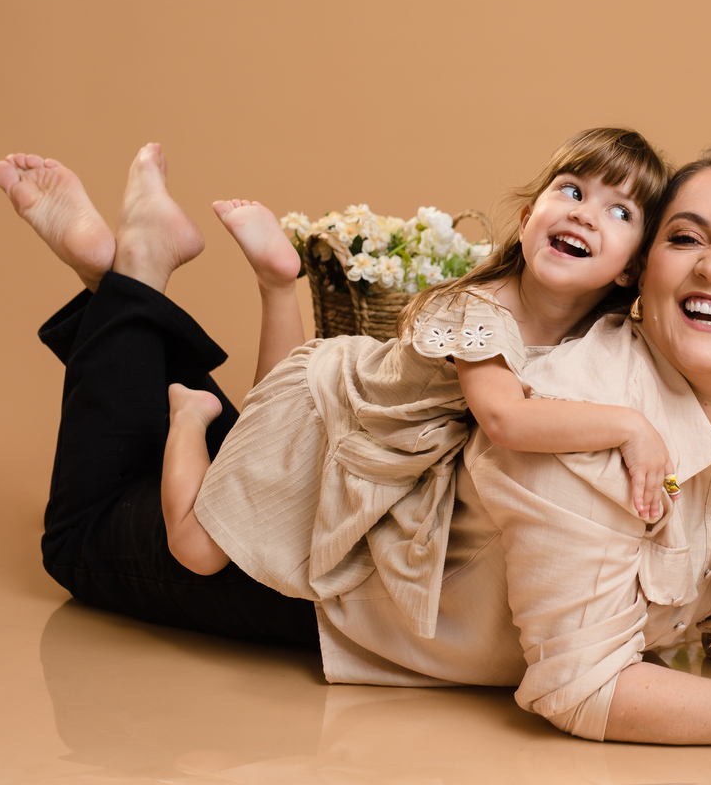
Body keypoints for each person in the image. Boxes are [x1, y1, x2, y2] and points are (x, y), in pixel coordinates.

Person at [0, 140, 711, 754]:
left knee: (224, 445)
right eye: (687, 237)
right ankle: (129, 274)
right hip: (331, 581)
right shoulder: (584, 433)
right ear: (644, 281)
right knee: (85, 539)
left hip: (358, 487)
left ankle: (129, 286)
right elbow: (577, 689)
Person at [161, 128, 679, 597]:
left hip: (387, 444)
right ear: (526, 221)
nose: (584, 213)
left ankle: (275, 284)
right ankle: (191, 412)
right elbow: (504, 420)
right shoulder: (478, 311)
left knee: (260, 431)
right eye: (572, 190)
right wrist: (630, 427)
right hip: (335, 408)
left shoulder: (604, 339)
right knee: (197, 549)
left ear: (632, 268)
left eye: (620, 211)